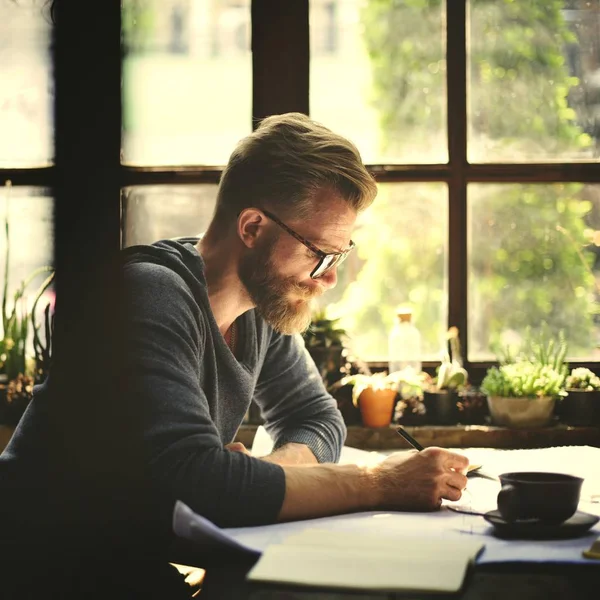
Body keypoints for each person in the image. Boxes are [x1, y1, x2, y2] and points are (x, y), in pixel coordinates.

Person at [1, 112, 468, 542]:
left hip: (117, 558)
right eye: (318, 254)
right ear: (251, 228)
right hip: (37, 558)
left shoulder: (261, 308)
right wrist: (381, 481)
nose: (329, 278)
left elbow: (316, 418)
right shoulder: (147, 294)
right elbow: (201, 485)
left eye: (339, 255)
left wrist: (267, 474)